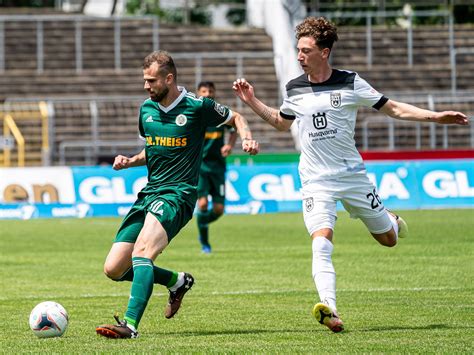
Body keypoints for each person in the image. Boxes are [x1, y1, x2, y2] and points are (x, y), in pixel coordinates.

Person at [233, 16, 469, 333]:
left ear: (325, 52)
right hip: (316, 181)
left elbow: (393, 108)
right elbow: (281, 122)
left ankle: (391, 219)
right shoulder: (294, 88)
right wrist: (252, 102)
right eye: (298, 50)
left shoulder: (350, 82)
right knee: (321, 240)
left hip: (353, 177)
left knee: (388, 240)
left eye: (305, 50)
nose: (299, 56)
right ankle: (329, 308)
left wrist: (436, 117)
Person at [96, 50, 259, 339]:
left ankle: (130, 326)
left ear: (169, 78)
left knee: (143, 252)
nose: (146, 86)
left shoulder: (197, 106)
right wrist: (130, 160)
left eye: (151, 81)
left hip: (178, 194)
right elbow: (154, 148)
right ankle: (177, 281)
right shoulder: (146, 110)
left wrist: (246, 138)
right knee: (114, 268)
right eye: (144, 81)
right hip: (149, 193)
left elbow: (237, 117)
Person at [195, 81, 238, 254]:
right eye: (204, 91)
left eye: (210, 91)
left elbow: (234, 128)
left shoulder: (220, 115)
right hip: (200, 166)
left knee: (219, 210)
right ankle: (205, 242)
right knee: (203, 203)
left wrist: (229, 145)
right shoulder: (195, 114)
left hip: (218, 166)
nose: (207, 93)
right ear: (198, 93)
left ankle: (202, 223)